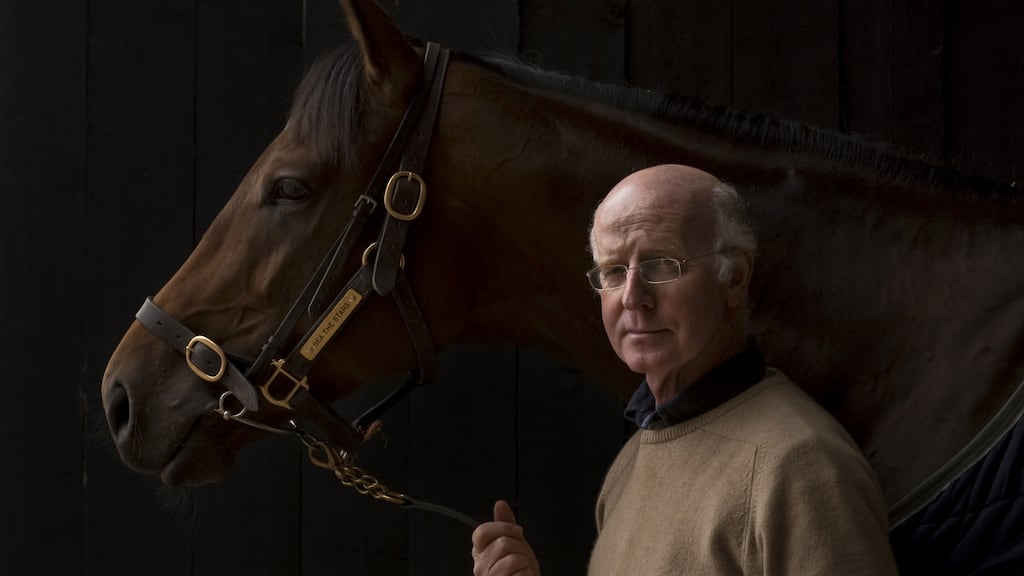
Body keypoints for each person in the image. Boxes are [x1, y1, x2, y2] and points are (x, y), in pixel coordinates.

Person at [471, 164, 898, 575]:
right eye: (614, 272)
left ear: (734, 277)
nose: (632, 297)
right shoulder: (633, 460)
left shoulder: (799, 465)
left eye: (661, 264)